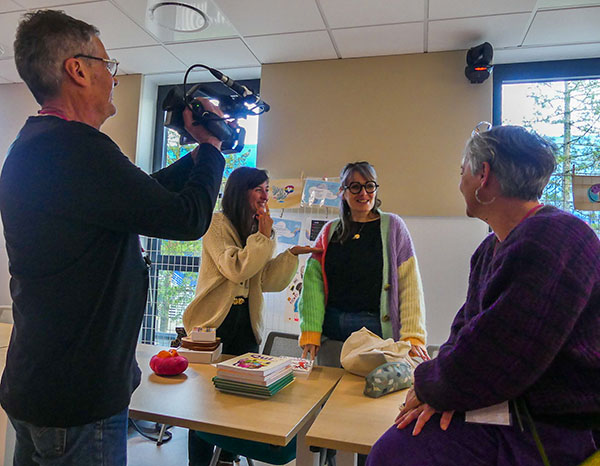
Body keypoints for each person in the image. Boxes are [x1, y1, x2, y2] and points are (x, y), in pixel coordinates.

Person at [0, 10, 226, 466]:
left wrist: (200, 149)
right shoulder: (77, 149)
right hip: (79, 400)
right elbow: (186, 219)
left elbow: (138, 195)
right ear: (77, 70)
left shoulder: (41, 146)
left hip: (41, 385)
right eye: (108, 64)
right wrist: (215, 151)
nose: (114, 78)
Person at [367, 124, 600, 465]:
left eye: (462, 172)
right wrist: (440, 390)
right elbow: (465, 334)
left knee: (395, 453)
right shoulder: (491, 249)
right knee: (403, 434)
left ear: (483, 175)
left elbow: (496, 355)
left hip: (558, 424)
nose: (460, 182)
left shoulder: (556, 237)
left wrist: (430, 387)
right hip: (510, 406)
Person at [182, 166, 319, 465]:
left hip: (246, 322)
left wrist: (290, 255)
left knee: (240, 397)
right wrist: (264, 236)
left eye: (267, 189)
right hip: (214, 323)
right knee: (204, 402)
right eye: (259, 189)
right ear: (239, 191)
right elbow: (237, 268)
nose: (265, 196)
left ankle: (227, 459)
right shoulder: (216, 224)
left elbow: (266, 280)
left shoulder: (254, 230)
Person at [299, 161, 428, 366]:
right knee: (330, 394)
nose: (364, 193)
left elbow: (410, 285)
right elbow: (312, 285)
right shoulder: (330, 231)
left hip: (375, 335)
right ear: (343, 192)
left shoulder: (394, 227)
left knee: (366, 395)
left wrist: (412, 336)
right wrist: (311, 331)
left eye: (369, 186)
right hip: (331, 335)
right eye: (355, 187)